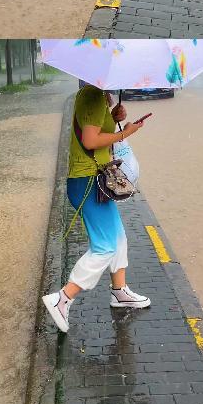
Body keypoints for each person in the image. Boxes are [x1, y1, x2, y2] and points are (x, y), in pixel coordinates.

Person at [41, 84, 150, 333]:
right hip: (88, 180)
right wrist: (126, 133)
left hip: (97, 179)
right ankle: (63, 299)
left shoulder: (98, 96)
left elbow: (92, 131)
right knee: (105, 246)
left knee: (119, 237)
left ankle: (120, 292)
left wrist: (112, 118)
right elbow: (90, 141)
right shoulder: (91, 95)